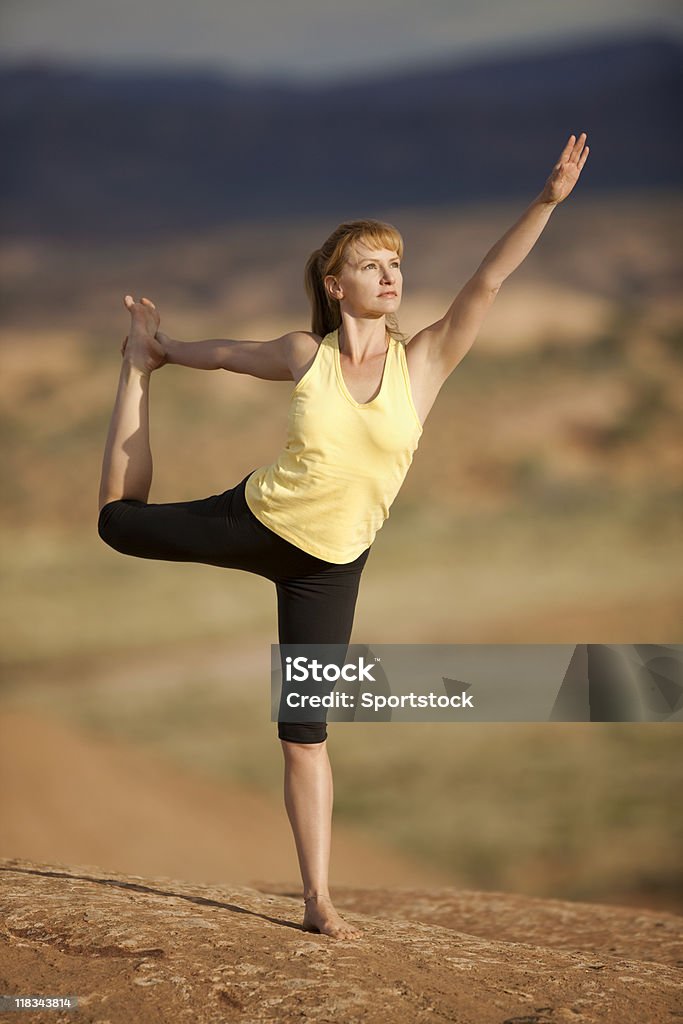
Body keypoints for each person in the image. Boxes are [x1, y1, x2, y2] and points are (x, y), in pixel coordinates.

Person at [97, 132, 590, 938]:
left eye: (396, 263)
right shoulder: (305, 354)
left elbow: (489, 281)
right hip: (254, 520)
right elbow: (226, 355)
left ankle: (318, 901)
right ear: (335, 285)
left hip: (328, 569)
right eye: (371, 264)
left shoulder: (425, 361)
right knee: (117, 524)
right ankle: (130, 379)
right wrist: (157, 354)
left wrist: (545, 201)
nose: (390, 275)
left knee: (304, 735)